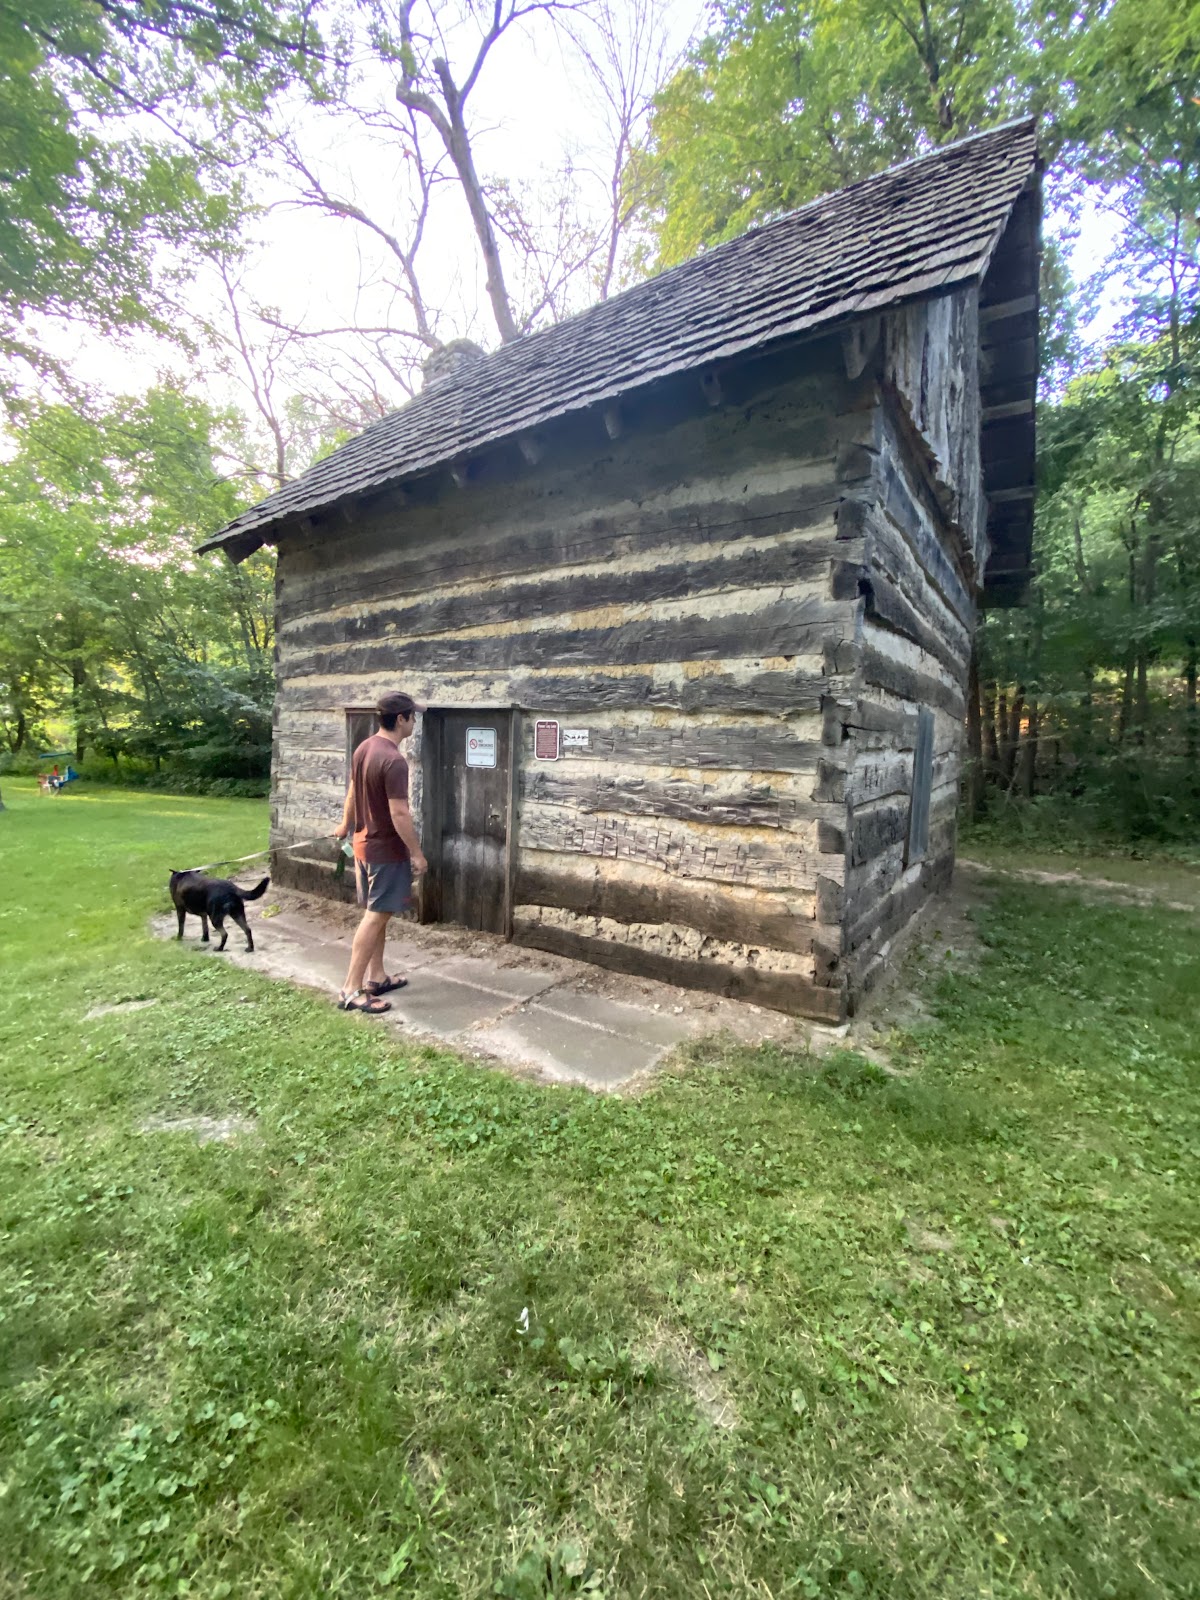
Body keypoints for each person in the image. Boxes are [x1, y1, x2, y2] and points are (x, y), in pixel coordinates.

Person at [333, 691, 428, 1013]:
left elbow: (351, 791)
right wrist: (416, 853)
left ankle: (376, 977)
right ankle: (351, 988)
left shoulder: (364, 748)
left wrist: (345, 825)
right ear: (400, 719)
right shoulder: (393, 760)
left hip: (362, 846)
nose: (415, 721)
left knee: (376, 914)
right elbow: (399, 814)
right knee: (376, 917)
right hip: (385, 851)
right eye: (413, 716)